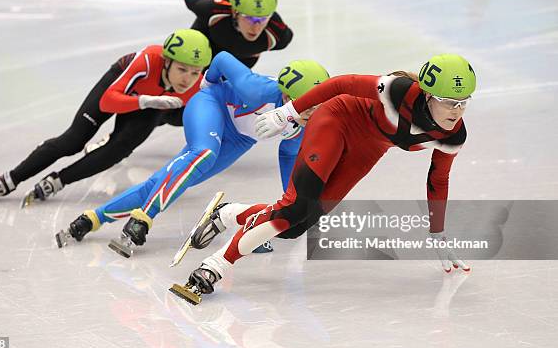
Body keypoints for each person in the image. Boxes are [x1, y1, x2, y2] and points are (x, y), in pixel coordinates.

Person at [174, 54, 477, 300]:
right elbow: (341, 83)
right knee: (293, 209)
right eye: (449, 101)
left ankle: (227, 214)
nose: (457, 110)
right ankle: (215, 266)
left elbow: (438, 179)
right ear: (426, 94)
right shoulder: (397, 90)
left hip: (368, 149)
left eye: (464, 101)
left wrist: (437, 231)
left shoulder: (453, 136)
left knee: (294, 227)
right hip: (337, 119)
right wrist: (288, 112)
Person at [55, 51, 330, 259]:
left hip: (241, 137)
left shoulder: (304, 123)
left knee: (174, 178)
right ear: (286, 96)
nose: (313, 113)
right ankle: (142, 219)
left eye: (320, 105)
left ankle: (93, 218)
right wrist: (207, 84)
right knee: (202, 155)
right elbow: (221, 58)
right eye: (308, 107)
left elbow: (288, 158)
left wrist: (294, 206)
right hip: (212, 105)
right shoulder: (255, 88)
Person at [0, 29, 211, 208]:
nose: (187, 78)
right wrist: (144, 100)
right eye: (181, 69)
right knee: (73, 141)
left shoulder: (197, 86)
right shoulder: (148, 60)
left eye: (194, 72)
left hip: (154, 103)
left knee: (119, 149)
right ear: (167, 61)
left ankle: (59, 180)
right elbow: (108, 101)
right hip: (122, 89)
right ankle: (11, 177)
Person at [185, 0, 293, 69]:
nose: (256, 27)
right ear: (235, 11)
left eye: (263, 19)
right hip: (202, 51)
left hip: (240, 61)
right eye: (249, 18)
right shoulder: (214, 9)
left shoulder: (279, 34)